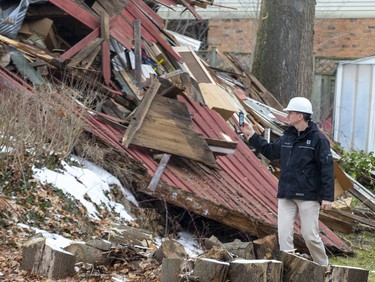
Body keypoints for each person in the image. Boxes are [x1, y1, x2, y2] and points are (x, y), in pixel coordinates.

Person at [240, 97, 334, 266]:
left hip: (309, 196)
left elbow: (327, 169)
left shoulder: (318, 139)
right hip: (286, 193)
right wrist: (252, 136)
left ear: (300, 115)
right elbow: (270, 152)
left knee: (310, 236)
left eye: (290, 112)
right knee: (284, 236)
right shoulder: (288, 136)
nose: (287, 115)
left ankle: (325, 269)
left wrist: (327, 196)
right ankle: (289, 270)